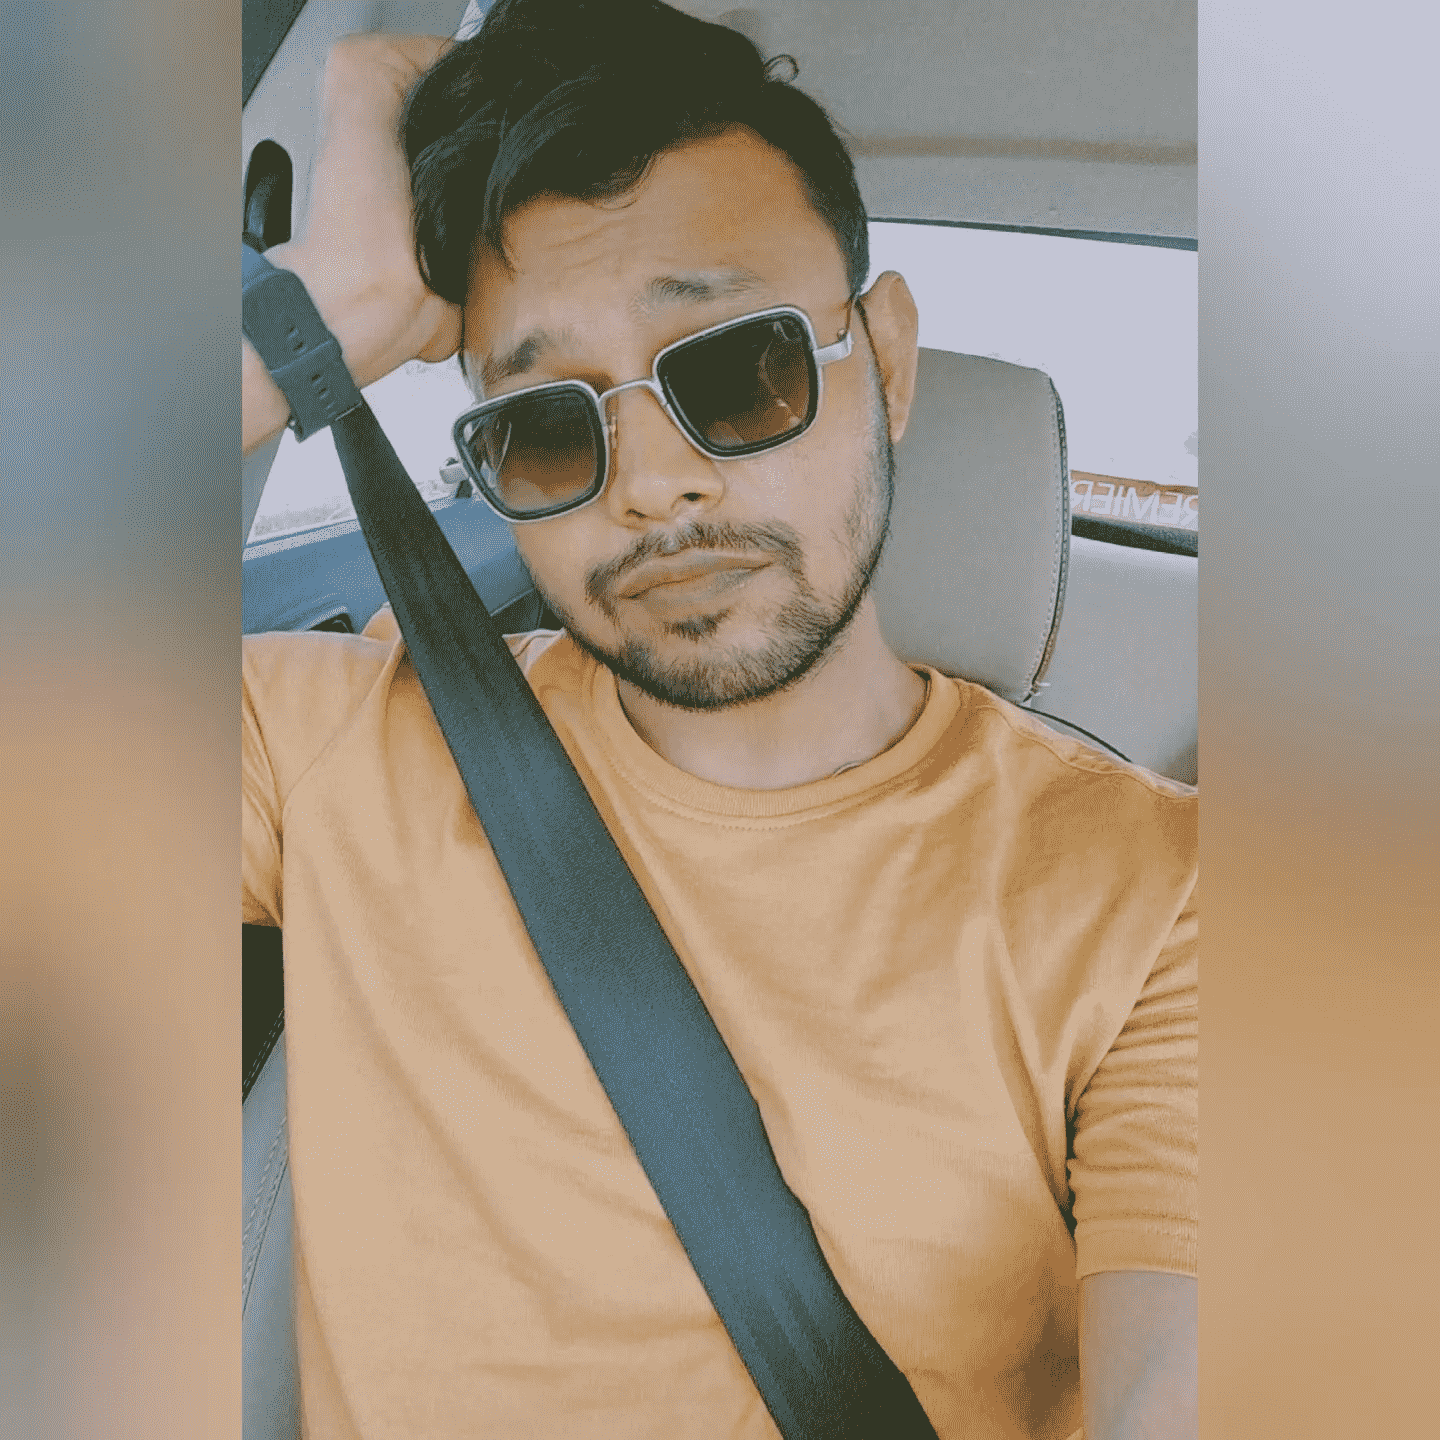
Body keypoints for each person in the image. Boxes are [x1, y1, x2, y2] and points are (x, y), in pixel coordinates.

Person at [241, 3, 1198, 1436]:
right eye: (546, 425)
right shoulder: (332, 750)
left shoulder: (1159, 898)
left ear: (886, 359)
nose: (653, 485)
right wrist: (314, 315)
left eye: (738, 370)